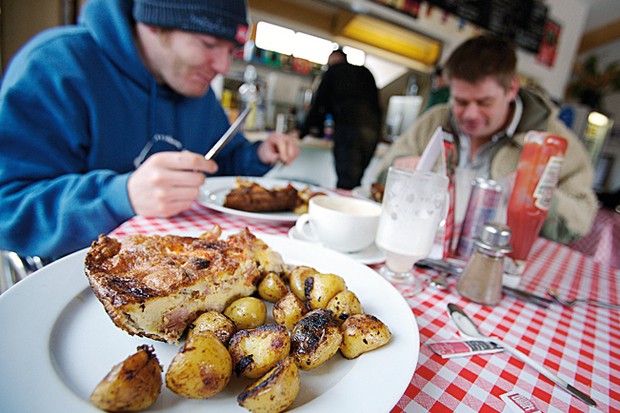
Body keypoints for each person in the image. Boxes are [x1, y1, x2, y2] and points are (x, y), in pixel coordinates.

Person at [0, 0, 300, 261]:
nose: (223, 66)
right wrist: (121, 195)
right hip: (73, 272)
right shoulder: (57, 67)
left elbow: (217, 166)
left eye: (231, 50)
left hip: (185, 263)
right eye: (209, 43)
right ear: (155, 22)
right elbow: (8, 207)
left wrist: (258, 155)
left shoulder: (197, 90)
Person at [376, 34, 597, 244]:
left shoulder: (552, 140)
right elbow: (380, 179)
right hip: (421, 247)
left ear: (511, 88)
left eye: (484, 102)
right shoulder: (436, 120)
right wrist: (401, 170)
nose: (471, 114)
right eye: (461, 102)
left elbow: (581, 219)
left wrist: (536, 195)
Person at [300, 48, 382, 190]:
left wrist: (302, 132)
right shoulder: (366, 72)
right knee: (355, 182)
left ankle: (343, 209)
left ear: (333, 60)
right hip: (372, 133)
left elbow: (319, 106)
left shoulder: (333, 72)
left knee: (345, 184)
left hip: (350, 131)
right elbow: (378, 106)